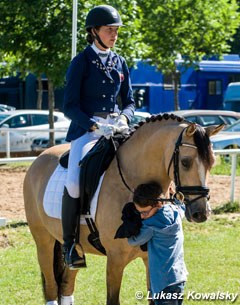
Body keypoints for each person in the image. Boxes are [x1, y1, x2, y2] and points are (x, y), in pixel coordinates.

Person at [62, 4, 135, 269]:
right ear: (94, 32)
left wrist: (125, 118)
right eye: (109, 30)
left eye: (116, 30)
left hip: (117, 127)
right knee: (73, 182)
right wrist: (94, 125)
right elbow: (68, 105)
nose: (114, 35)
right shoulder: (81, 62)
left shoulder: (119, 61)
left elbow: (129, 100)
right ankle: (70, 245)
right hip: (87, 130)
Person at [128, 182, 188, 305]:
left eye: (145, 212)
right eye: (140, 213)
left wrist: (128, 230)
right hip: (179, 277)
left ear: (158, 204)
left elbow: (134, 241)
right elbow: (182, 207)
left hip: (163, 282)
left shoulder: (150, 225)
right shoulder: (175, 211)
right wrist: (174, 196)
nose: (142, 216)